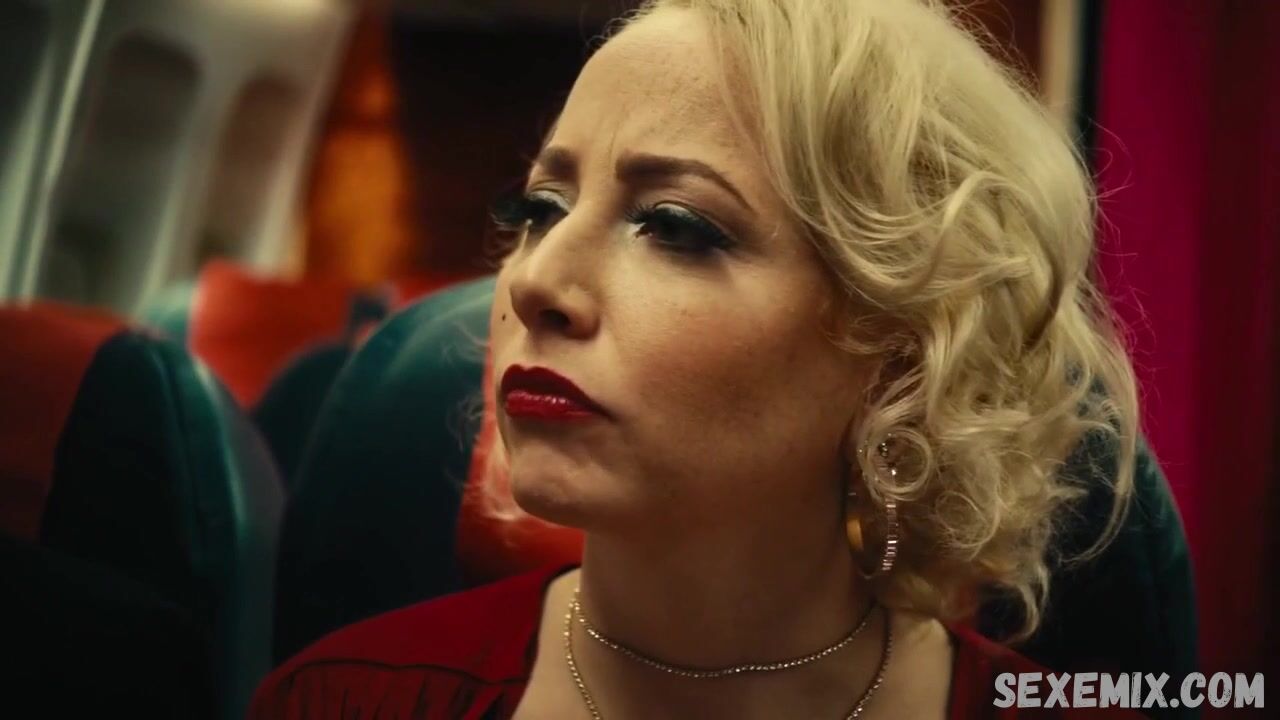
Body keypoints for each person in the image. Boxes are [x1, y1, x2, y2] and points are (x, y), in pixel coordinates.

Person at [250, 0, 1146, 717]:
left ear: (902, 347)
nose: (534, 280)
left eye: (674, 226)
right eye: (540, 209)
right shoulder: (339, 700)